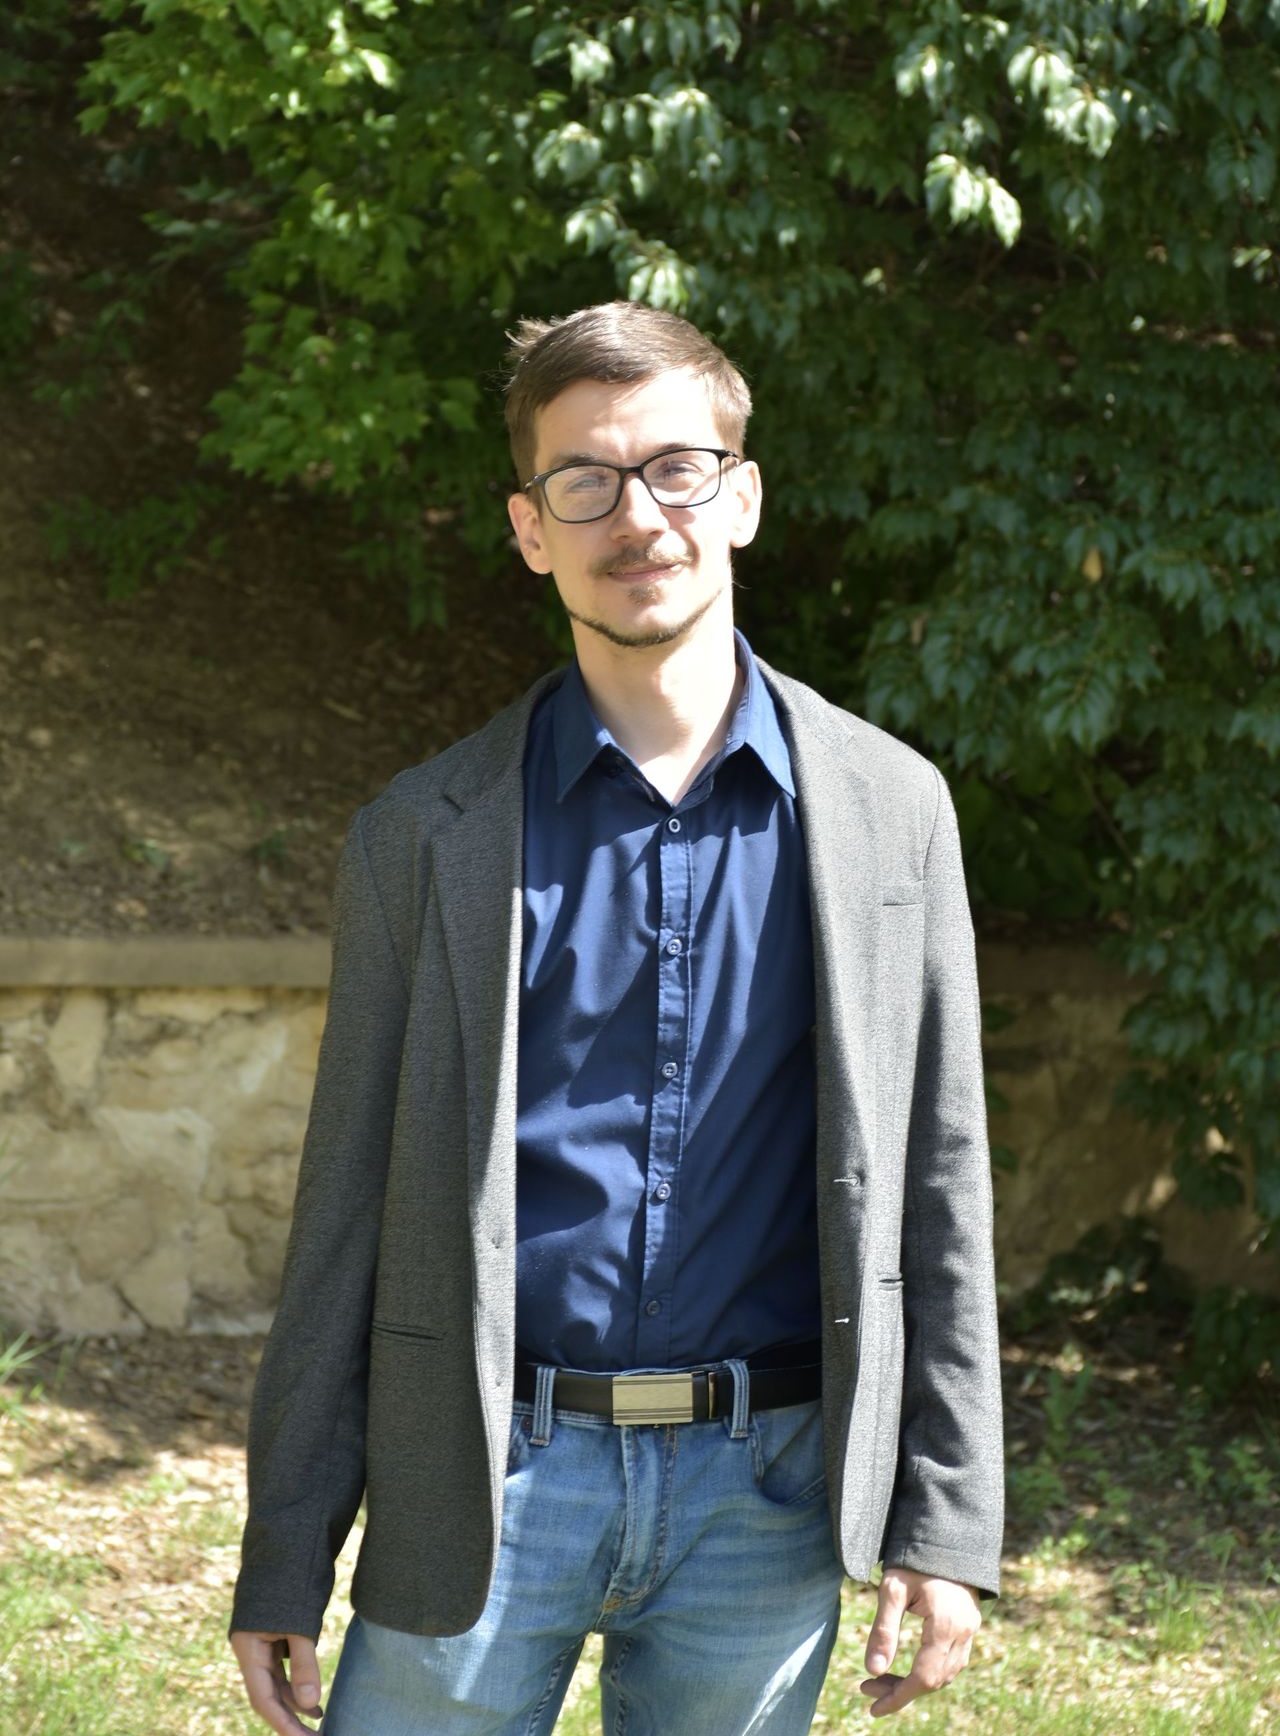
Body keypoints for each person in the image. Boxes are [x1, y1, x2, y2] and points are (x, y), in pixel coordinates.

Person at [228, 300, 1004, 1735]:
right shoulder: (424, 833)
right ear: (531, 529)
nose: (637, 515)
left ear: (742, 497)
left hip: (770, 1493)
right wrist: (287, 1546)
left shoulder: (892, 810)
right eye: (584, 479)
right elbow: (346, 1205)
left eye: (677, 470)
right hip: (482, 1478)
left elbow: (939, 1183)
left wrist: (947, 1521)